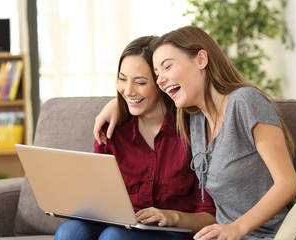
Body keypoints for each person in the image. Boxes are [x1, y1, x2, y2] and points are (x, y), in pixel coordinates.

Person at [93, 26, 296, 240]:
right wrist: (116, 105)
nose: (161, 80)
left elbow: (288, 183)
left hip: (264, 234)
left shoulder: (244, 101)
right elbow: (149, 105)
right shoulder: (195, 120)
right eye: (156, 74)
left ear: (201, 60)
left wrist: (237, 228)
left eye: (167, 67)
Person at [54, 35, 216, 240]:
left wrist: (172, 216)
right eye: (122, 79)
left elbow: (210, 217)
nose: (128, 91)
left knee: (114, 237)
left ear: (161, 82)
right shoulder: (112, 129)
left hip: (172, 232)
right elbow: (97, 198)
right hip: (120, 226)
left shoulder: (192, 131)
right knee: (70, 232)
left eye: (139, 82)